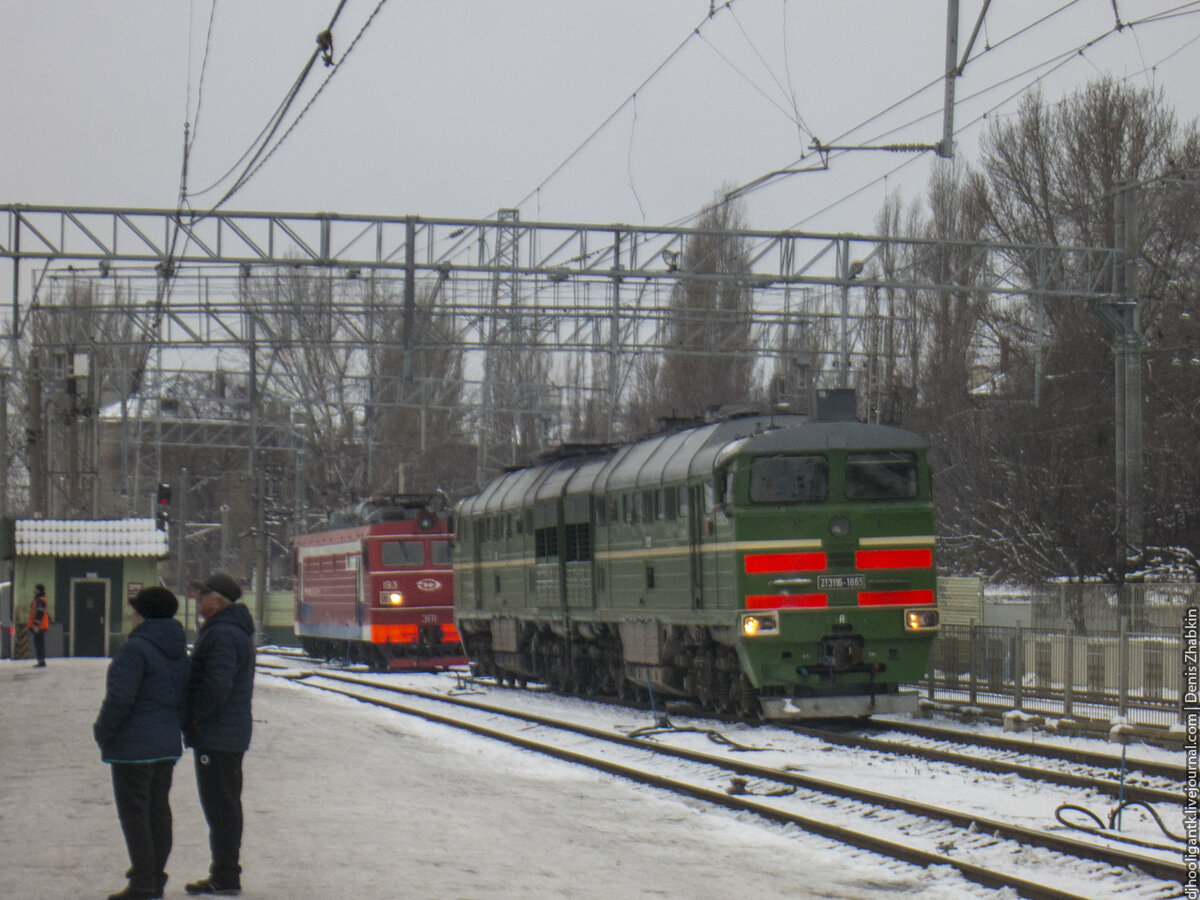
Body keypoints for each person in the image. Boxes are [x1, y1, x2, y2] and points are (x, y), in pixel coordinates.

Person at [94, 586, 189, 900]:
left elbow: (120, 698)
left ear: (144, 615)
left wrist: (103, 731)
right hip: (165, 744)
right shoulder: (177, 648)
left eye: (134, 610)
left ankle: (143, 883)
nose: (131, 615)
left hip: (133, 748)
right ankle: (155, 878)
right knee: (158, 811)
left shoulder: (136, 649)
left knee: (135, 814)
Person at [184, 572, 255, 897]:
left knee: (220, 806)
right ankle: (225, 873)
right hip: (227, 731)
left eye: (203, 595)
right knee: (225, 804)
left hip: (218, 732)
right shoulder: (229, 630)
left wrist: (196, 715)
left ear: (218, 601)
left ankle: (225, 876)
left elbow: (218, 684)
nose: (198, 600)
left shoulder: (223, 634)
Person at [27, 583, 50, 666]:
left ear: (39, 590)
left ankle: (41, 661)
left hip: (40, 626)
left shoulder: (40, 601)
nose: (34, 590)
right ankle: (41, 660)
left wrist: (36, 624)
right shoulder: (38, 600)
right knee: (38, 643)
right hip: (41, 625)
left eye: (36, 589)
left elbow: (40, 613)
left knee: (39, 643)